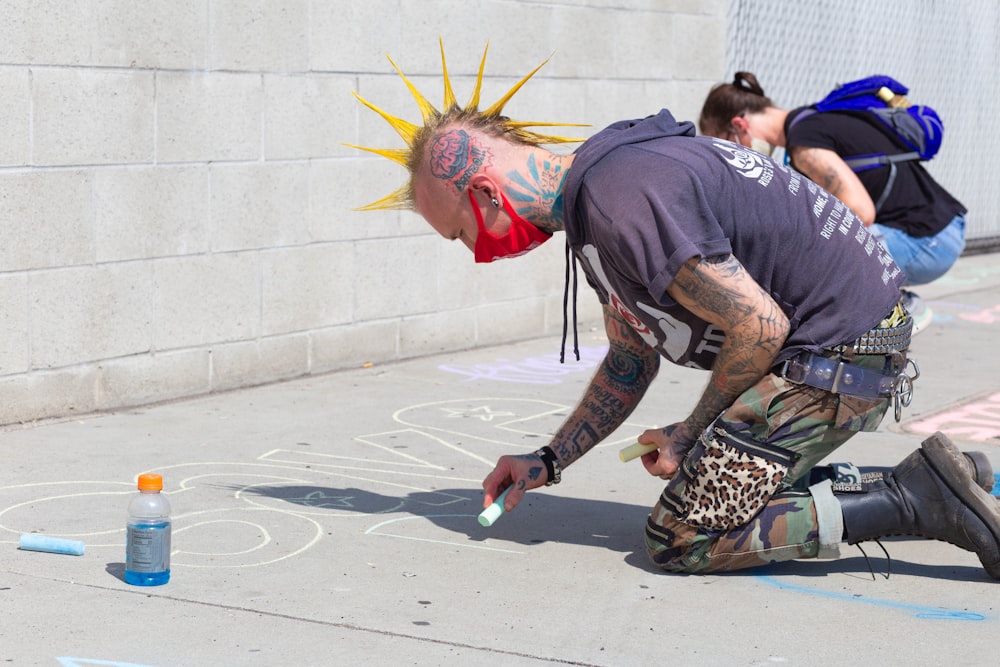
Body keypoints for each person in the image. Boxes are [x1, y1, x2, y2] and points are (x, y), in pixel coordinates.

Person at [350, 43, 1000, 578]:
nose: (474, 252)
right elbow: (632, 358)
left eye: (460, 233)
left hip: (840, 351)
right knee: (723, 472)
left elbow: (759, 324)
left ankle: (919, 499)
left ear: (487, 194)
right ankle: (948, 477)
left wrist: (691, 432)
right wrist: (548, 460)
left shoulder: (621, 199)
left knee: (682, 532)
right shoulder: (598, 194)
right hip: (843, 340)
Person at [698, 72, 968, 334]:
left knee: (808, 254)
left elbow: (861, 211)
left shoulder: (804, 142)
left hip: (927, 242)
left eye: (727, 144)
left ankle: (895, 305)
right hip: (937, 231)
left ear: (739, 125)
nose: (735, 155)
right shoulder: (811, 122)